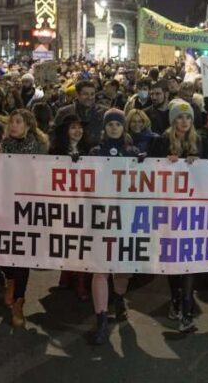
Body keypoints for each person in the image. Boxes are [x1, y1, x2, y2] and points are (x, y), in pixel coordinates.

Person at [0, 109, 49, 327]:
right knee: (3, 251)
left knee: (22, 254)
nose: (13, 125)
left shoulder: (40, 148)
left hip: (28, 208)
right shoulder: (3, 147)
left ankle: (18, 302)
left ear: (28, 125)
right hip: (5, 206)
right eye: (11, 122)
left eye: (18, 122)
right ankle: (10, 278)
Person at [150, 99, 202, 333]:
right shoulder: (162, 141)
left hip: (193, 209)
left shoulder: (198, 141)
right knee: (173, 257)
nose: (184, 121)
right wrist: (165, 163)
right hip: (169, 208)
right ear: (173, 120)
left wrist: (198, 162)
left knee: (188, 258)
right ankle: (175, 298)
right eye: (180, 117)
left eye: (188, 117)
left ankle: (188, 306)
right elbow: (151, 170)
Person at [87, 109, 139, 344]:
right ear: (105, 128)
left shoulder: (133, 152)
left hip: (126, 218)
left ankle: (118, 299)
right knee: (100, 268)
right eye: (110, 124)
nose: (114, 127)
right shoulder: (95, 152)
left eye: (118, 124)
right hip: (101, 216)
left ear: (123, 127)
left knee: (121, 269)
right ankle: (101, 320)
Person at [50, 113, 91, 301]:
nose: (78, 130)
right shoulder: (55, 151)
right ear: (65, 131)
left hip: (83, 202)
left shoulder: (89, 149)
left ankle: (81, 284)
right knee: (65, 240)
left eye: (80, 127)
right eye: (73, 127)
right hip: (62, 202)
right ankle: (65, 276)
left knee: (80, 244)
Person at [53, 80, 106, 147]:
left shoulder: (104, 112)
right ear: (77, 95)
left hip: (98, 155)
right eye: (85, 94)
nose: (89, 97)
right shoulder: (64, 112)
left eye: (92, 94)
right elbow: (55, 136)